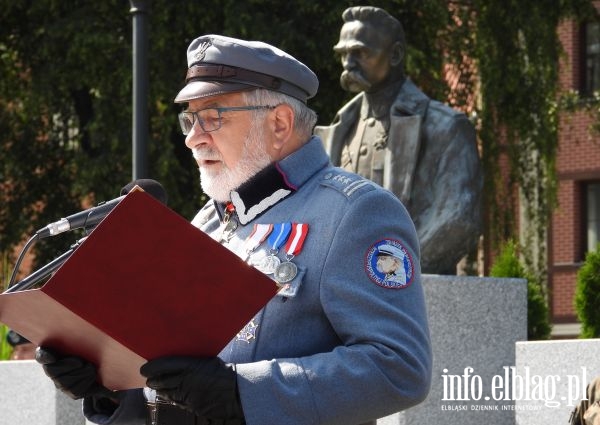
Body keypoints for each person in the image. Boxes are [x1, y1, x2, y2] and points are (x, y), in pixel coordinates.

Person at [36, 34, 432, 425]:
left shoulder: (355, 211)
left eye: (212, 117)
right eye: (189, 119)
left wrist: (243, 392)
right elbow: (180, 379)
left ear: (279, 123)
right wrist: (108, 387)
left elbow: (398, 366)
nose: (192, 137)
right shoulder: (208, 221)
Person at [315, 6, 483, 274]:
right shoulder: (336, 130)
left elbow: (458, 219)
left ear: (394, 55)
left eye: (360, 52)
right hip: (342, 288)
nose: (348, 63)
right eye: (343, 54)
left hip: (410, 293)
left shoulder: (446, 127)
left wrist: (391, 273)